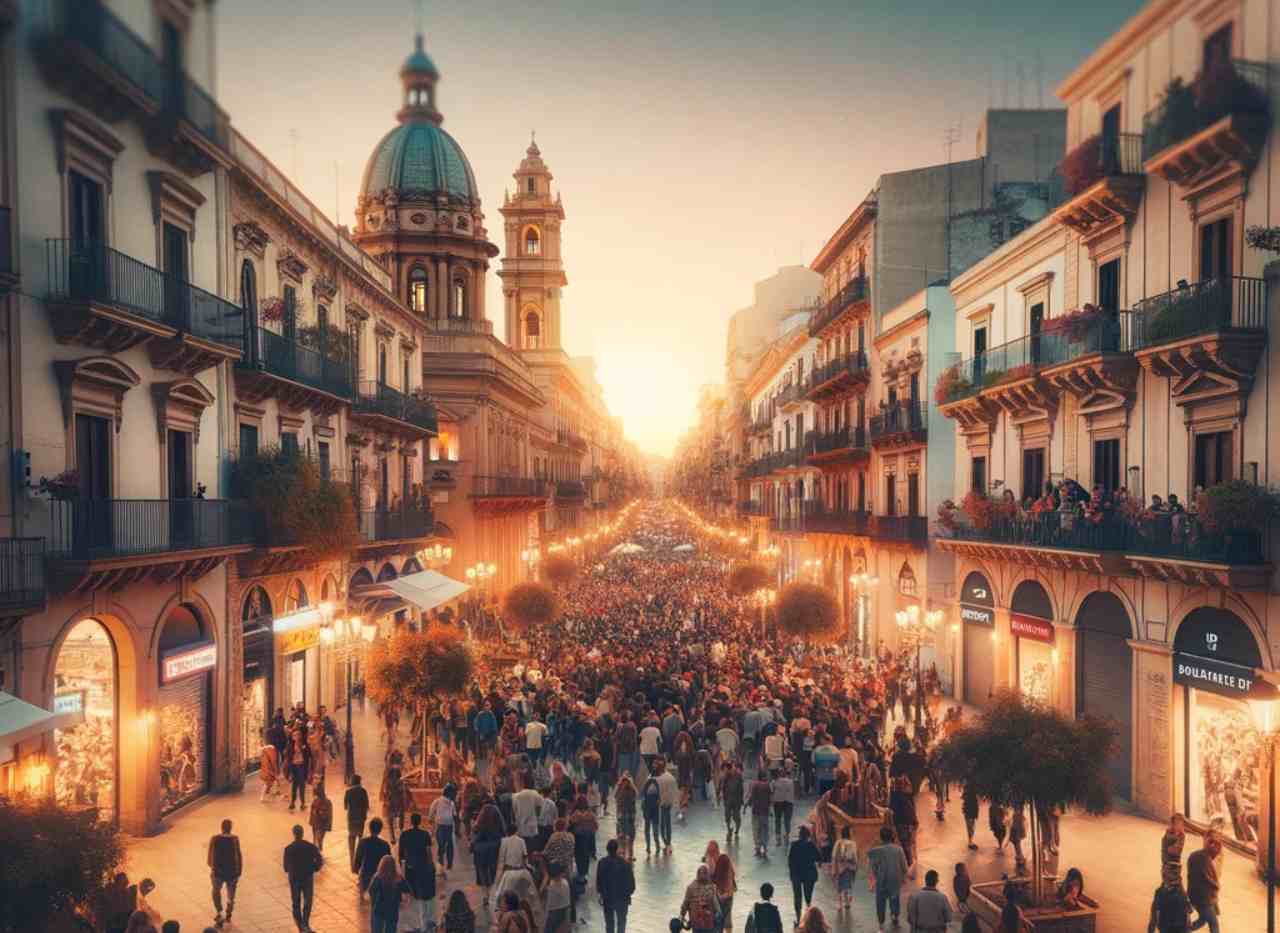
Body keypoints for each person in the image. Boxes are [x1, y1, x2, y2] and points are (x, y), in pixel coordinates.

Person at [399, 812, 437, 933]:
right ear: (420, 821)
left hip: (410, 867)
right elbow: (428, 852)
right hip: (423, 866)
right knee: (422, 894)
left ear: (411, 821)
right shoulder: (425, 834)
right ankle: (424, 922)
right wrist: (431, 865)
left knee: (413, 894)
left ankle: (418, 923)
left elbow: (401, 854)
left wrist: (402, 867)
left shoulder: (404, 834)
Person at [282, 823, 322, 933]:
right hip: (307, 877)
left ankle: (300, 925)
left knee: (296, 902)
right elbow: (319, 860)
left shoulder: (288, 849)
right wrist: (314, 868)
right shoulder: (310, 847)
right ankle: (305, 923)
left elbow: (285, 867)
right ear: (302, 833)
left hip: (294, 878)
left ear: (294, 834)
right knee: (308, 900)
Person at [867, 826, 908, 929]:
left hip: (881, 879)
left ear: (881, 837)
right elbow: (904, 866)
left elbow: (872, 864)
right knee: (894, 898)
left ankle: (881, 923)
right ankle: (894, 916)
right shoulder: (899, 849)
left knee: (880, 901)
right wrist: (904, 877)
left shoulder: (876, 851)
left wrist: (875, 876)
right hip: (895, 879)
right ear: (892, 837)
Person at [206, 819, 242, 928]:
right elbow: (239, 854)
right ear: (230, 828)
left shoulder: (215, 838)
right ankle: (229, 910)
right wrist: (239, 870)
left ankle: (219, 912)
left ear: (221, 827)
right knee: (231, 895)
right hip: (232, 872)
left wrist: (212, 867)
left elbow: (210, 855)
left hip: (218, 872)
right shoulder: (235, 839)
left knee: (216, 891)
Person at [596, 838, 636, 933]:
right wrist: (627, 893)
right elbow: (631, 884)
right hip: (622, 898)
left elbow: (599, 881)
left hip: (608, 897)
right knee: (621, 922)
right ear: (617, 849)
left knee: (609, 923)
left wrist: (601, 893)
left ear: (607, 849)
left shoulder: (602, 863)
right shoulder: (626, 864)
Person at [787, 825, 820, 926]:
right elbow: (819, 857)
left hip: (796, 874)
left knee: (797, 897)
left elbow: (790, 860)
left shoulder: (794, 845)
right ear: (808, 836)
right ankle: (808, 917)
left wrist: (792, 872)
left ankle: (798, 918)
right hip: (809, 874)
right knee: (808, 896)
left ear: (800, 835)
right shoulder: (811, 845)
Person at [368, 854, 410, 933]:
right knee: (391, 929)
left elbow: (371, 891)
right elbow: (407, 890)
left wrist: (373, 902)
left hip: (379, 908)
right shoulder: (398, 878)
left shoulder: (377, 877)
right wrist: (403, 901)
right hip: (393, 909)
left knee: (376, 929)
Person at [354, 818, 393, 901]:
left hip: (366, 873)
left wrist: (356, 869)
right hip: (379, 874)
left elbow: (358, 858)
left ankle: (362, 898)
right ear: (380, 829)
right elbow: (388, 861)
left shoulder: (363, 842)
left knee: (362, 886)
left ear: (370, 828)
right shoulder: (385, 844)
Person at [680, 864, 722, 933]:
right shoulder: (712, 887)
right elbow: (718, 908)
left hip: (696, 924)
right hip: (708, 924)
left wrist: (681, 917)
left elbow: (685, 905)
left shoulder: (691, 887)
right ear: (708, 875)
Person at [429, 783, 457, 877]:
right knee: (442, 846)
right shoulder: (438, 801)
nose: (455, 795)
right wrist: (431, 819)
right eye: (453, 793)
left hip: (448, 827)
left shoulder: (451, 803)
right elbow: (432, 811)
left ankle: (448, 864)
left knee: (448, 845)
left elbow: (454, 815)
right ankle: (441, 865)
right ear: (449, 793)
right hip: (440, 826)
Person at [345, 774, 371, 871]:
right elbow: (367, 806)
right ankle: (358, 864)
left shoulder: (348, 792)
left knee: (351, 839)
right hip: (361, 819)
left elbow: (345, 806)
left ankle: (352, 863)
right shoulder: (363, 791)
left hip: (351, 819)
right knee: (360, 839)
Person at [655, 756, 679, 854]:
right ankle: (667, 843)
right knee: (665, 824)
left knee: (664, 824)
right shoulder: (667, 777)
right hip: (664, 803)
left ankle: (667, 843)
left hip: (664, 804)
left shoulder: (666, 777)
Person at [831, 826, 858, 912]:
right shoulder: (853, 843)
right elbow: (855, 857)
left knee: (839, 887)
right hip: (849, 868)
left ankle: (840, 904)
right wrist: (855, 867)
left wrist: (833, 868)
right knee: (847, 885)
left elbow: (834, 856)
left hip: (840, 867)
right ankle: (847, 902)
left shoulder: (838, 842)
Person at [614, 772, 638, 861]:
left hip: (630, 814)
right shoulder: (619, 789)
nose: (625, 783)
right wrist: (619, 784)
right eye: (624, 781)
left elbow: (635, 797)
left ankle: (630, 854)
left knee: (631, 834)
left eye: (627, 781)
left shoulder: (632, 790)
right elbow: (616, 797)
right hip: (621, 814)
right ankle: (622, 852)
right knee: (621, 834)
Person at [770, 764, 796, 847]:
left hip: (778, 802)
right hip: (789, 802)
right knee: (787, 820)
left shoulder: (774, 782)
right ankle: (787, 834)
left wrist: (771, 803)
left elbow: (771, 792)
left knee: (777, 820)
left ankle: (778, 837)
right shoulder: (790, 782)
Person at [748, 770, 772, 857]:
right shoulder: (767, 786)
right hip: (765, 812)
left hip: (756, 811)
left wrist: (748, 804)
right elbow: (770, 799)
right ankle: (765, 848)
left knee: (756, 830)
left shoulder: (755, 785)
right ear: (764, 777)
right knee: (764, 830)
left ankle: (757, 848)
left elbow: (751, 797)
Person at [712, 851, 737, 932]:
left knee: (719, 917)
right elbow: (733, 883)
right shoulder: (730, 871)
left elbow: (714, 883)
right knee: (728, 917)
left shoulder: (717, 872)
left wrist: (719, 895)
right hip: (729, 897)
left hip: (719, 897)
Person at [544, 863, 572, 933]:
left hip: (554, 914)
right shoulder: (565, 883)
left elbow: (549, 905)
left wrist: (546, 916)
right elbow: (568, 904)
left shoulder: (551, 886)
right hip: (563, 913)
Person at [1162, 813, 1187, 883]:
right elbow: (1168, 849)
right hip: (1166, 862)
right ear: (1172, 824)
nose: (1181, 826)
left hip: (1175, 863)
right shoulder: (1168, 833)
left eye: (1182, 824)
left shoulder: (1182, 835)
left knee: (1175, 881)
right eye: (1178, 824)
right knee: (1167, 881)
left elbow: (1176, 851)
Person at [309, 784, 333, 858]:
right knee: (319, 838)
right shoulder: (327, 802)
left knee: (317, 838)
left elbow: (313, 812)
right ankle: (319, 849)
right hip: (320, 822)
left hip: (318, 822)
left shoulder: (316, 801)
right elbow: (330, 815)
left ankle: (317, 850)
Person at [961, 784, 979, 851]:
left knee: (970, 825)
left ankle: (970, 841)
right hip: (970, 809)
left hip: (969, 809)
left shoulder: (967, 788)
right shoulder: (971, 789)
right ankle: (970, 842)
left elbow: (963, 797)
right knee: (971, 825)